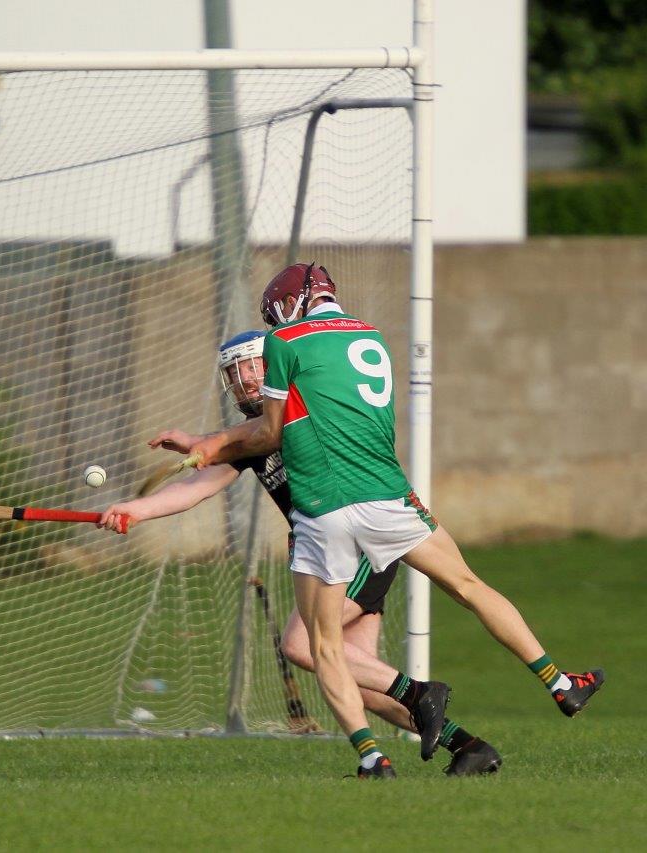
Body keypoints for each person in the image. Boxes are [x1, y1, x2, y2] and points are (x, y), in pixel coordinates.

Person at [154, 263, 603, 778]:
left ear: (284, 308)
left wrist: (208, 444)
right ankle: (557, 684)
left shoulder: (284, 342)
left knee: (317, 646)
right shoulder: (371, 337)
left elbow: (271, 433)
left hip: (333, 512)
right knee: (468, 586)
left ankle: (375, 754)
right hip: (392, 497)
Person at [101, 331, 500, 776]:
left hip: (360, 545)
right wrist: (134, 510)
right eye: (235, 372)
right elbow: (193, 490)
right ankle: (469, 747)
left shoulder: (304, 409)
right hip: (331, 557)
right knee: (362, 684)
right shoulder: (248, 438)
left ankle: (413, 703)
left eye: (252, 366)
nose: (245, 379)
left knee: (302, 645)